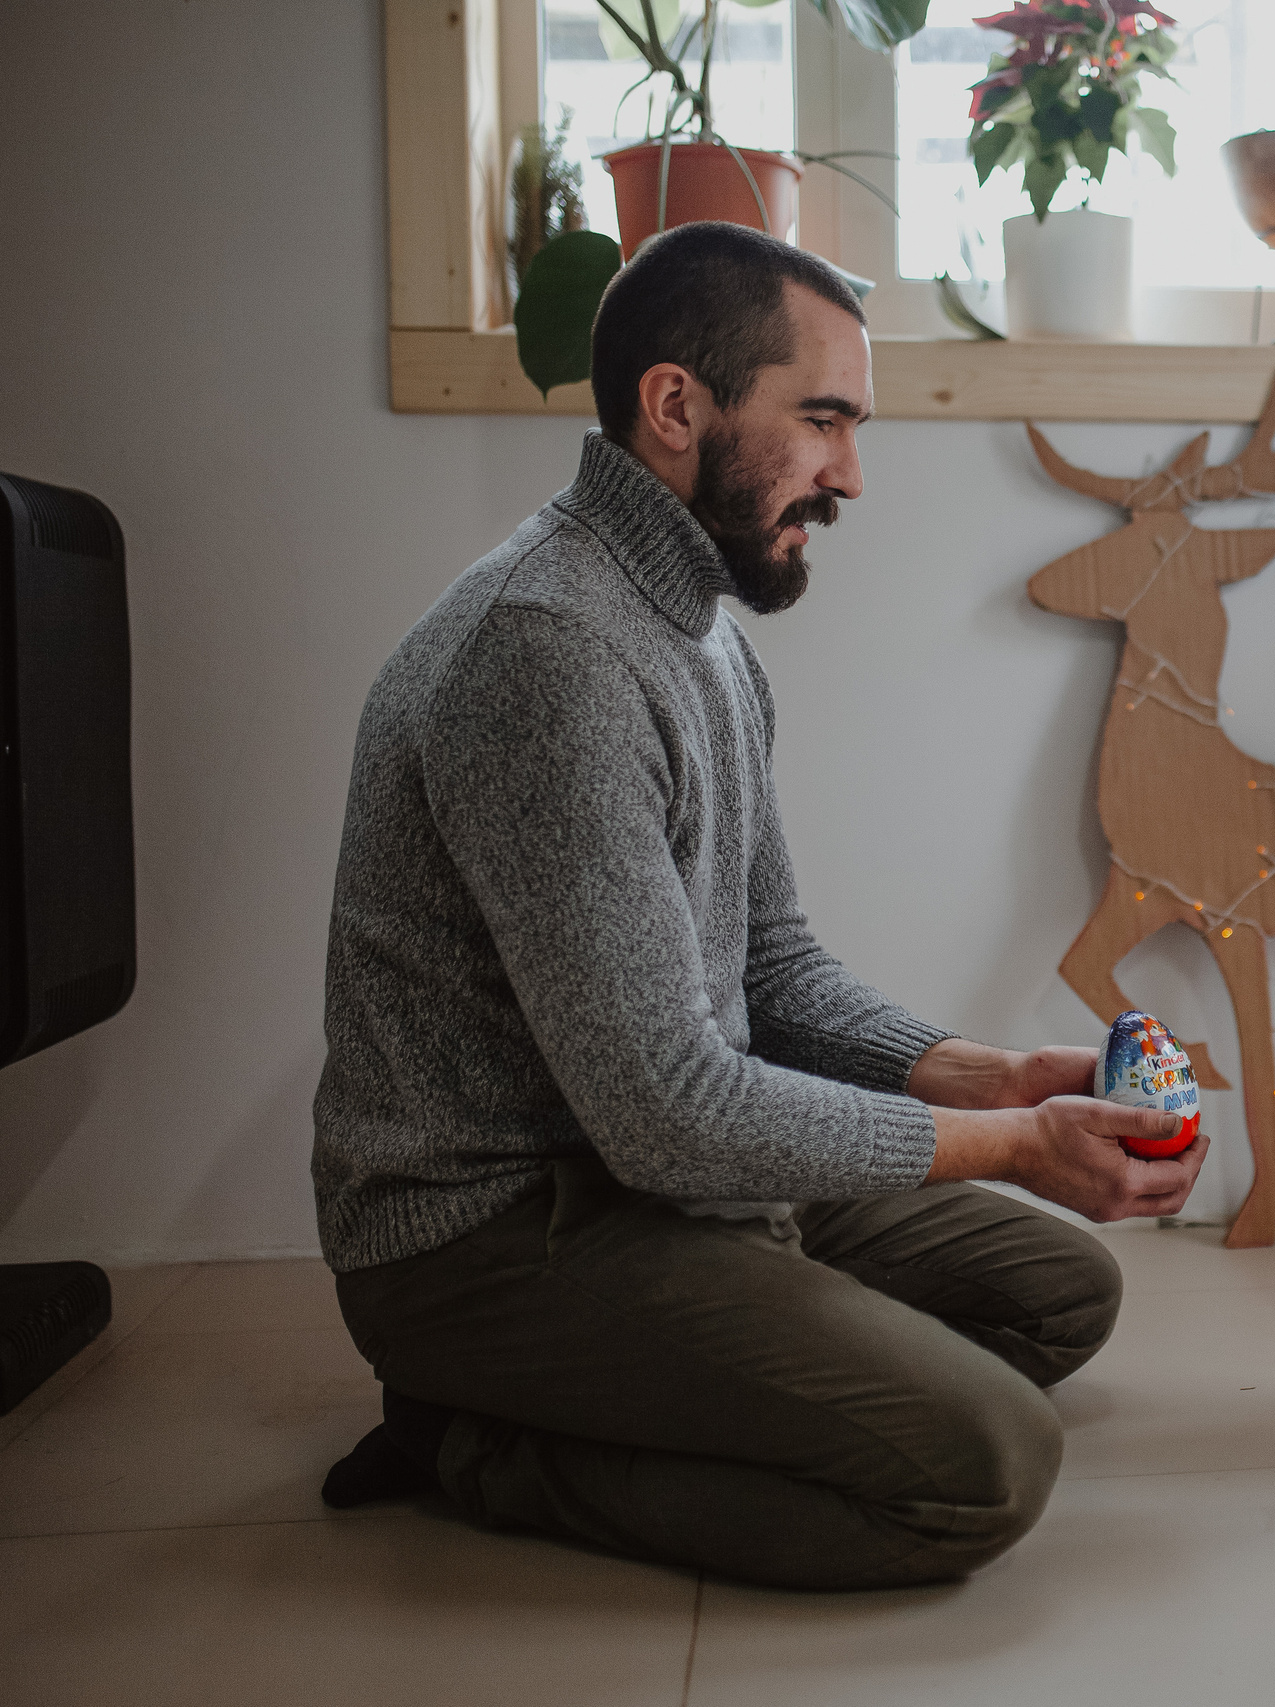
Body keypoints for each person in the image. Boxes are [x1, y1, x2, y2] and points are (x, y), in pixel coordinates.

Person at [309, 222, 1205, 1591]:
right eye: (823, 419)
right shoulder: (547, 654)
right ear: (678, 407)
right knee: (984, 1466)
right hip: (497, 1232)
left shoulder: (700, 627)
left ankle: (717, 1352)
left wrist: (994, 1077)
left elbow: (772, 967)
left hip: (659, 1174)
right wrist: (1012, 1141)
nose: (850, 473)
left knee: (1059, 1294)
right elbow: (666, 1107)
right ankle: (482, 1441)